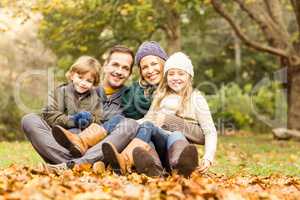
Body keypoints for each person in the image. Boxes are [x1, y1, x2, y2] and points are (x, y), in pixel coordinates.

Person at [21, 46, 139, 170]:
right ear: (105, 66)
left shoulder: (129, 97)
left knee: (130, 124)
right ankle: (79, 164)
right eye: (115, 64)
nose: (119, 71)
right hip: (63, 144)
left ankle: (71, 165)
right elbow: (50, 115)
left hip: (94, 148)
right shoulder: (65, 91)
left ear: (130, 73)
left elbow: (103, 123)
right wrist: (72, 120)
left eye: (125, 68)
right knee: (29, 119)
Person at [103, 52, 218, 177]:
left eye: (181, 73)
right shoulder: (161, 95)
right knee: (147, 131)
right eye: (171, 74)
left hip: (177, 143)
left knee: (176, 134)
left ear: (189, 76)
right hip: (160, 141)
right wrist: (128, 124)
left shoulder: (196, 98)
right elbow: (148, 119)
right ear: (166, 76)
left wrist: (208, 157)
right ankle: (153, 168)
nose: (175, 77)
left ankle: (180, 166)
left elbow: (210, 131)